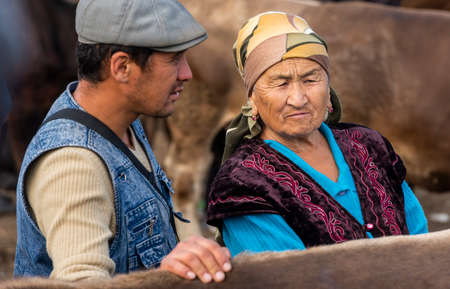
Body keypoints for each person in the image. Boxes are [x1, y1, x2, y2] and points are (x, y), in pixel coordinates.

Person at [14, 0, 231, 283]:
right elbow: (81, 283)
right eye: (174, 60)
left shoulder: (121, 122)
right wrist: (160, 280)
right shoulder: (73, 163)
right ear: (122, 67)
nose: (187, 74)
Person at [207, 11, 428, 257]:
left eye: (311, 80)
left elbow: (421, 242)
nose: (298, 99)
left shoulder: (368, 145)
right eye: (281, 83)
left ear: (328, 87)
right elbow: (286, 279)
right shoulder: (242, 184)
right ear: (253, 99)